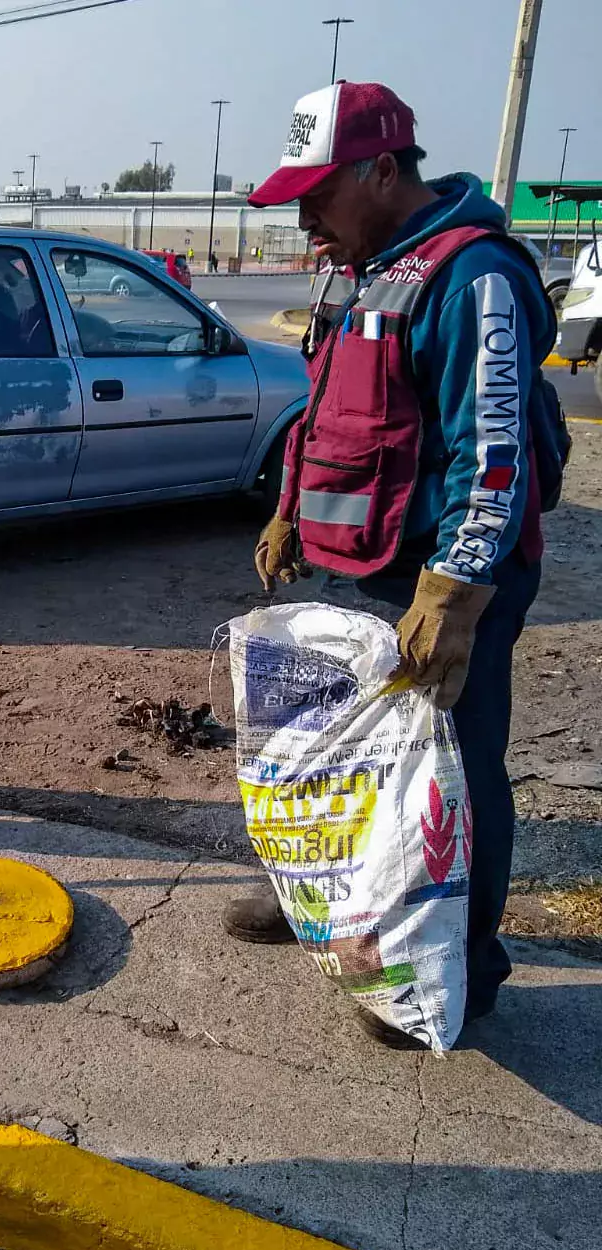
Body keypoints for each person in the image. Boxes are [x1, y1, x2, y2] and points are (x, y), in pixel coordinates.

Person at [227, 81, 555, 1050]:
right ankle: (334, 905)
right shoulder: (366, 267)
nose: (302, 216)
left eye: (319, 190)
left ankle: (459, 967)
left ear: (381, 169)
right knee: (356, 764)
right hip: (364, 571)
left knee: (450, 774)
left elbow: (493, 447)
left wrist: (454, 589)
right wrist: (289, 506)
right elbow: (330, 405)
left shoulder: (474, 274)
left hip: (445, 580)